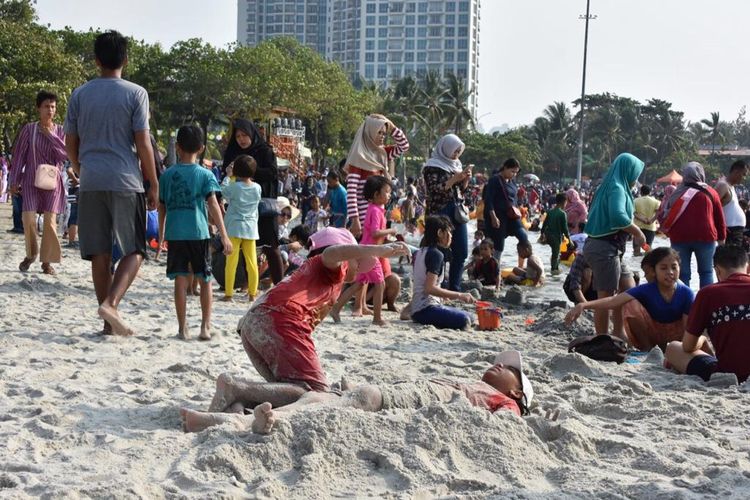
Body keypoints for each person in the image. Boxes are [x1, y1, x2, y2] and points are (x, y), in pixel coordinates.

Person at [180, 350, 534, 433]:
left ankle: (238, 409)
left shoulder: (504, 402)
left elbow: (506, 424)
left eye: (508, 370)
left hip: (395, 400)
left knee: (319, 398)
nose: (498, 365)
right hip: (394, 396)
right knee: (315, 395)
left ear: (516, 392)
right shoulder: (475, 384)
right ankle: (239, 394)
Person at [235, 227, 408, 395]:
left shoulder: (318, 274)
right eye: (358, 260)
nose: (359, 268)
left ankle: (238, 397)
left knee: (289, 388)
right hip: (280, 321)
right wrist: (376, 249)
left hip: (252, 323)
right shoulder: (333, 267)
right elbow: (332, 253)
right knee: (316, 393)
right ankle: (238, 389)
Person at [64, 31, 159, 336]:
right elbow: (143, 143)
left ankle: (108, 325)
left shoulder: (80, 94)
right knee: (135, 250)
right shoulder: (136, 93)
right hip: (125, 180)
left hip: (91, 180)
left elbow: (70, 141)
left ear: (96, 61)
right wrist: (153, 182)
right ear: (126, 60)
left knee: (99, 253)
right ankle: (112, 304)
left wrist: (80, 167)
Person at [156, 125, 232, 340]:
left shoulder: (167, 176)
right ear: (201, 148)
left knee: (180, 281)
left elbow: (162, 208)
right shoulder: (205, 175)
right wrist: (224, 235)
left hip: (175, 233)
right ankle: (205, 327)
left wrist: (161, 236)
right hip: (199, 233)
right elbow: (213, 205)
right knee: (205, 279)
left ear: (177, 147)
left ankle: (182, 328)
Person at [566, 247, 694, 351]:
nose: (670, 272)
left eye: (674, 267)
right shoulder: (647, 289)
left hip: (678, 338)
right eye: (663, 268)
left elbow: (690, 327)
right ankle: (646, 347)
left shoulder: (686, 293)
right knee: (630, 301)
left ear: (679, 268)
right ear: (654, 271)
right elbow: (613, 301)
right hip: (654, 334)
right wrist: (583, 305)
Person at [665, 245, 750, 383]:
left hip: (728, 373)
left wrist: (703, 339)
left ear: (717, 271)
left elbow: (688, 346)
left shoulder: (708, 293)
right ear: (748, 268)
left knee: (673, 348)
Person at [582, 153, 644, 338]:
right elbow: (618, 217)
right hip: (604, 248)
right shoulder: (616, 188)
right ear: (628, 171)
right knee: (606, 297)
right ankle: (602, 338)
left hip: (611, 248)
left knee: (627, 287)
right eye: (636, 174)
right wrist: (638, 233)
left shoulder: (611, 186)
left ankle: (619, 330)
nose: (636, 180)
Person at [9, 90, 68, 275]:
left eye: (52, 107)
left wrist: (49, 135)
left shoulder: (60, 131)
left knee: (50, 223)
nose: (49, 110)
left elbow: (64, 155)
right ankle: (31, 255)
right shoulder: (29, 129)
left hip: (52, 183)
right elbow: (19, 156)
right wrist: (14, 180)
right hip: (30, 181)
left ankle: (47, 262)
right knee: (28, 220)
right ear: (38, 108)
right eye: (46, 107)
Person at [222, 119, 283, 284]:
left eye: (245, 135)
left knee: (271, 247)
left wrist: (249, 172)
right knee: (244, 247)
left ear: (252, 134)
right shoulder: (233, 152)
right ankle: (247, 284)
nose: (241, 139)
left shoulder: (265, 151)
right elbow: (225, 173)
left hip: (263, 205)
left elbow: (272, 173)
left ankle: (279, 285)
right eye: (238, 136)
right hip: (241, 208)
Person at [331, 176, 397, 325]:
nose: (389, 195)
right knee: (380, 284)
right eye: (386, 192)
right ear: (376, 194)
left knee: (359, 284)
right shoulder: (375, 211)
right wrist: (390, 230)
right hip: (369, 252)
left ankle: (336, 308)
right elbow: (374, 233)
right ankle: (377, 318)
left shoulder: (376, 209)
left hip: (365, 251)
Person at [660, 162, 726, 288]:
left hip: (679, 238)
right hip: (706, 238)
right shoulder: (710, 192)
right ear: (701, 173)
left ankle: (685, 304)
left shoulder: (676, 192)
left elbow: (666, 214)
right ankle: (705, 304)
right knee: (706, 272)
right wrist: (722, 240)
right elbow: (719, 218)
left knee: (682, 274)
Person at [405, 215, 475, 329]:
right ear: (440, 233)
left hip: (419, 308)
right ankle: (414, 314)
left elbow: (421, 284)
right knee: (465, 320)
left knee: (471, 317)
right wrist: (460, 295)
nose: (451, 236)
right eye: (449, 232)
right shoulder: (436, 255)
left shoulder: (420, 252)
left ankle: (408, 312)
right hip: (426, 309)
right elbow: (429, 288)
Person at [344, 114, 409, 238]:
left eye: (384, 133)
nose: (383, 136)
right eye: (379, 133)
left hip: (379, 214)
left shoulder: (383, 153)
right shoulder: (359, 157)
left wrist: (392, 127)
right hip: (363, 218)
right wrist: (355, 220)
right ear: (369, 132)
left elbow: (404, 146)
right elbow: (351, 192)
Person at [422, 134, 471, 292]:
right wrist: (454, 179)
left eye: (459, 151)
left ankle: (454, 286)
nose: (456, 154)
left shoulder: (456, 165)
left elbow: (461, 191)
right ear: (446, 148)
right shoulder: (432, 166)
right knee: (439, 249)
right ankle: (436, 284)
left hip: (457, 210)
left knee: (461, 250)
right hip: (440, 211)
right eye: (454, 151)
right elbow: (434, 190)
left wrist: (464, 180)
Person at [221, 155, 261, 303]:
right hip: (250, 228)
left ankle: (229, 294)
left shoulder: (235, 187)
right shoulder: (257, 188)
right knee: (252, 263)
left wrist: (229, 176)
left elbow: (223, 191)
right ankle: (252, 293)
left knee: (231, 262)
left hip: (234, 227)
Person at [483, 158, 529, 263]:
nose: (514, 174)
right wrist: (493, 217)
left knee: (523, 236)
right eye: (512, 171)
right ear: (505, 168)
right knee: (499, 245)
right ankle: (494, 268)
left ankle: (522, 265)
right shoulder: (495, 180)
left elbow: (515, 199)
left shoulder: (512, 181)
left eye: (516, 173)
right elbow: (488, 199)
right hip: (498, 216)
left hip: (511, 216)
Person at [714, 160, 747, 248]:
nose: (744, 178)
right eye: (743, 174)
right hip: (730, 232)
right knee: (731, 261)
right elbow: (712, 207)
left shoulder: (730, 186)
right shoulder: (723, 185)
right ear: (736, 172)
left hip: (735, 231)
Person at [541, 193, 570, 275]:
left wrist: (542, 234)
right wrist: (570, 240)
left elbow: (544, 225)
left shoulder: (550, 212)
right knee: (556, 255)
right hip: (556, 237)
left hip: (548, 236)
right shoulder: (562, 214)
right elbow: (565, 229)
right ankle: (554, 271)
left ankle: (554, 269)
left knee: (555, 254)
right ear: (564, 202)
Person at [632, 184, 660, 256]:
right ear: (650, 192)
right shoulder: (656, 201)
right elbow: (658, 213)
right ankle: (647, 263)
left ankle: (635, 264)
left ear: (641, 192)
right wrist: (651, 220)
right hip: (650, 227)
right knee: (647, 247)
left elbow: (634, 213)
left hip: (638, 227)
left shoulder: (635, 201)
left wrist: (642, 220)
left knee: (637, 247)